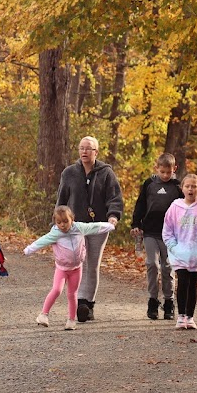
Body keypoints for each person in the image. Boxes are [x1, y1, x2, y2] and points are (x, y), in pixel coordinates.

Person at [55, 136, 123, 322]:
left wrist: (113, 216)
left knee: (92, 265)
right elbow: (62, 199)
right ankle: (79, 303)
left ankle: (88, 304)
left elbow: (114, 197)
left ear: (96, 152)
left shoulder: (106, 173)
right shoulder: (69, 173)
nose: (84, 151)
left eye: (89, 148)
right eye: (81, 148)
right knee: (77, 263)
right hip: (74, 227)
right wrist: (57, 222)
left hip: (98, 226)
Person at [24, 205, 116, 330]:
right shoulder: (55, 233)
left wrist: (110, 226)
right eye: (59, 222)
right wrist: (28, 249)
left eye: (66, 221)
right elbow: (42, 241)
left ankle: (71, 320)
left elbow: (94, 227)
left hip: (76, 268)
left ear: (72, 219)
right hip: (62, 269)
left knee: (72, 294)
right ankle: (43, 315)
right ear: (55, 222)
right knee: (57, 290)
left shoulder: (80, 228)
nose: (63, 225)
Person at [162, 173, 197, 330]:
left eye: (194, 186)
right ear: (182, 189)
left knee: (193, 285)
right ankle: (181, 317)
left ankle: (190, 316)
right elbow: (167, 230)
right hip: (179, 254)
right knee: (182, 283)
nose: (190, 189)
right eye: (187, 186)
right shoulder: (175, 208)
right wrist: (174, 247)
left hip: (196, 255)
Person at [130, 153, 183, 320]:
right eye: (162, 172)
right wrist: (136, 224)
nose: (166, 175)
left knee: (168, 267)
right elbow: (140, 204)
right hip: (150, 231)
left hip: (171, 234)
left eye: (169, 172)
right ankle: (153, 300)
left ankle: (169, 302)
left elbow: (185, 208)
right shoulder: (149, 184)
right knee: (152, 264)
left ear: (174, 169)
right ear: (156, 168)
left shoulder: (178, 186)